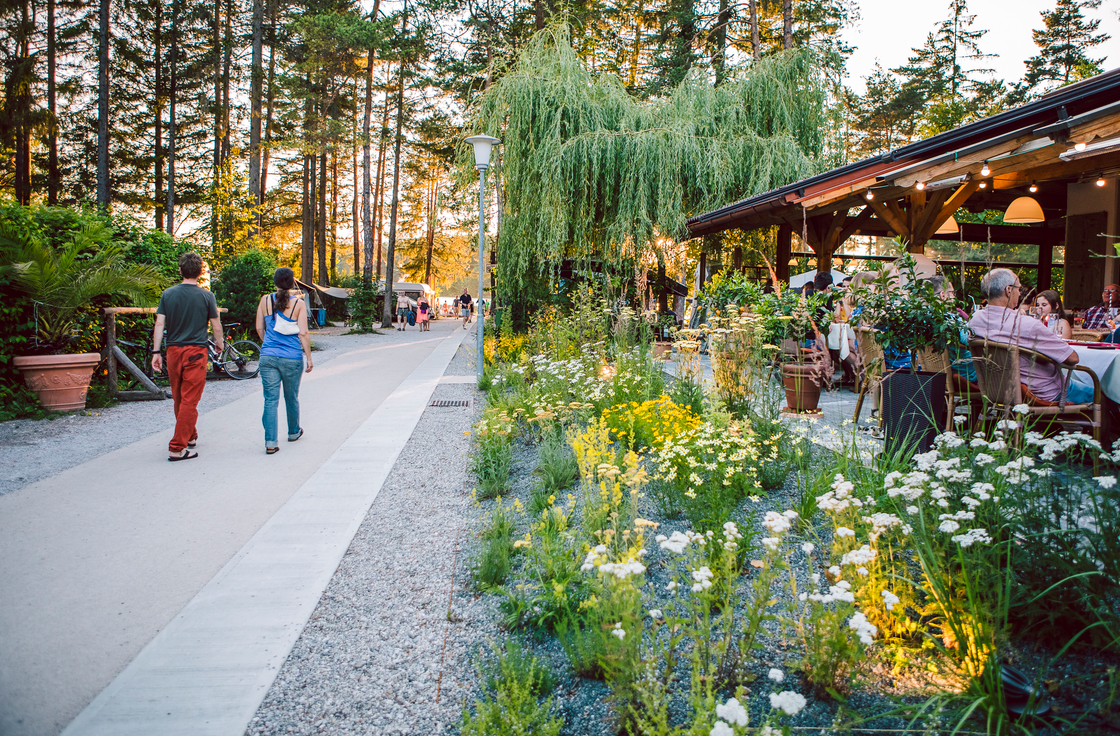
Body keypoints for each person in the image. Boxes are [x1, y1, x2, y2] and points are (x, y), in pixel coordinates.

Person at [968, 268, 1091, 405]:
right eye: (1018, 289)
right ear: (1008, 290)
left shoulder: (974, 321)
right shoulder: (1026, 324)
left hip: (996, 391)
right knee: (1100, 395)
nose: (1020, 293)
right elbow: (1072, 358)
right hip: (1042, 393)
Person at [152, 252, 223, 462]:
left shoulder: (168, 294)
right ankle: (177, 448)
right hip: (196, 352)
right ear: (200, 272)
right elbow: (216, 325)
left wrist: (156, 352)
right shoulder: (207, 296)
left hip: (173, 351)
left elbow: (159, 324)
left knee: (179, 397)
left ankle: (190, 436)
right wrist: (219, 343)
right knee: (190, 400)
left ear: (180, 270)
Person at [255, 268, 312, 455]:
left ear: (275, 281)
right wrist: (309, 357)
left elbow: (259, 328)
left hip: (268, 357)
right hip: (292, 357)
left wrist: (269, 345)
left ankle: (270, 442)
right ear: (293, 281)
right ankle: (293, 432)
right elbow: (303, 333)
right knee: (291, 396)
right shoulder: (299, 304)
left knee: (270, 399)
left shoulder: (264, 300)